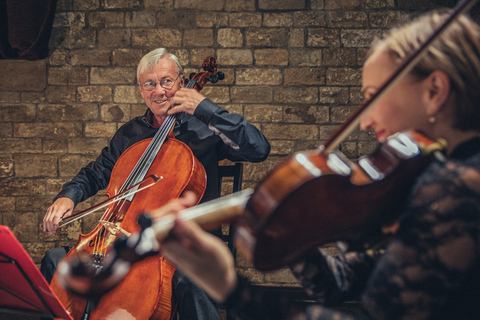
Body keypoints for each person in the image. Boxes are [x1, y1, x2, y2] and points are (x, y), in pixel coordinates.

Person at [150, 10, 480, 320]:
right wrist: (298, 232)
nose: (365, 121)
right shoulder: (432, 179)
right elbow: (337, 285)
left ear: (434, 91)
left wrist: (229, 286)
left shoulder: (458, 185)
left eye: (374, 96)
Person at [40, 48, 271, 320]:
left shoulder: (206, 129)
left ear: (182, 83)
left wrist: (206, 109)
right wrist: (67, 196)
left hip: (184, 245)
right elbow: (96, 172)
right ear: (141, 90)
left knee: (192, 283)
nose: (159, 91)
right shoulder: (130, 134)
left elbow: (259, 149)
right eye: (150, 84)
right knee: (56, 261)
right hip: (122, 241)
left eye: (166, 81)